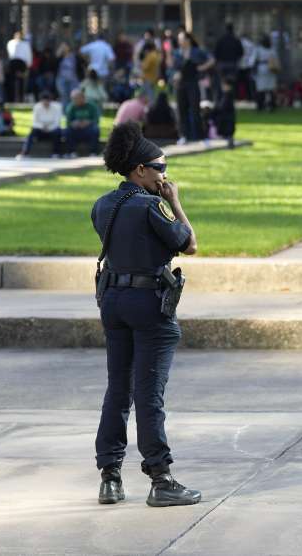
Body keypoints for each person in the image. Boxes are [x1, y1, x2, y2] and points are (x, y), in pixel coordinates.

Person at [92, 122, 200, 508]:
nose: (165, 175)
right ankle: (161, 478)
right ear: (140, 170)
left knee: (117, 390)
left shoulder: (103, 203)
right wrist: (176, 202)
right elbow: (190, 244)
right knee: (148, 393)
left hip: (113, 302)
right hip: (148, 305)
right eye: (160, 168)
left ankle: (110, 477)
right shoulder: (152, 205)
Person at [173, 32, 213, 144]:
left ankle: (201, 136)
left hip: (193, 83)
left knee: (195, 109)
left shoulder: (197, 51)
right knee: (181, 110)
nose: (179, 41)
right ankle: (183, 136)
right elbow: (174, 67)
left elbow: (211, 60)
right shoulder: (177, 52)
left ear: (188, 40)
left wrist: (202, 68)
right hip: (181, 84)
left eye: (181, 39)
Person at [17, 92, 64, 159]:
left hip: (53, 131)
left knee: (57, 131)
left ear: (50, 100)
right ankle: (25, 152)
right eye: (44, 101)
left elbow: (57, 122)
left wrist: (49, 128)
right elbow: (35, 122)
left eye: (47, 101)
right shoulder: (37, 107)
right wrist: (42, 127)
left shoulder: (57, 107)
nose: (45, 103)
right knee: (32, 131)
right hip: (41, 130)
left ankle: (56, 153)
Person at [65, 89, 102, 157]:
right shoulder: (71, 107)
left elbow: (96, 120)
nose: (74, 100)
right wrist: (74, 123)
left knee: (96, 129)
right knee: (67, 131)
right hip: (76, 130)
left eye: (76, 99)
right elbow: (68, 122)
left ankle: (93, 152)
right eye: (73, 99)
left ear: (82, 98)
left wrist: (88, 122)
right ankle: (71, 152)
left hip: (88, 129)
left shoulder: (91, 106)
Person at [253, 35, 279, 112]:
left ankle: (260, 106)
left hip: (262, 69)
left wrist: (253, 70)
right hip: (271, 69)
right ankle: (271, 105)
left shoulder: (258, 49)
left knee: (261, 89)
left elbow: (254, 60)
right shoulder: (272, 50)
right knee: (270, 89)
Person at [6, 30, 32, 102]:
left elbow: (28, 55)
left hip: (22, 63)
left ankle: (21, 99)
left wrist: (28, 66)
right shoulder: (10, 43)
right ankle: (11, 99)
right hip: (13, 62)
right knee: (11, 82)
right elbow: (10, 53)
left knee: (21, 82)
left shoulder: (25, 44)